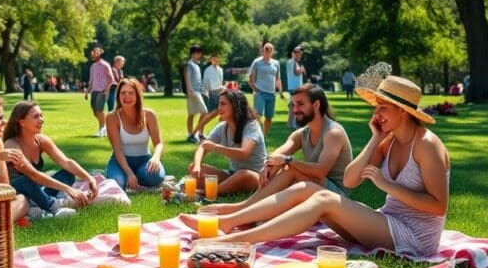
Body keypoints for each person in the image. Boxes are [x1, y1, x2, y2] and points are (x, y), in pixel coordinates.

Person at [181, 76, 449, 258]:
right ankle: (228, 223)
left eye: (382, 108)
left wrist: (387, 185)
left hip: (415, 237)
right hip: (388, 221)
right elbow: (352, 180)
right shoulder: (387, 140)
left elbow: (439, 206)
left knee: (320, 196)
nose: (375, 114)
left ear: (403, 111)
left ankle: (236, 241)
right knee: (307, 189)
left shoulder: (427, 145)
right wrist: (375, 139)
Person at [188, 84, 352, 222]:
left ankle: (242, 208)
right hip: (313, 189)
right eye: (293, 105)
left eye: (300, 104)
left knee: (291, 168)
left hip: (337, 196)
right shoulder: (301, 134)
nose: (295, 110)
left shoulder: (333, 133)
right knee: (284, 167)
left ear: (316, 105)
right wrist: (270, 164)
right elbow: (278, 153)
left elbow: (320, 171)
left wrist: (287, 160)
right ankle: (253, 213)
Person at [4, 100, 96, 217]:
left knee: (68, 173)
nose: (42, 119)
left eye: (41, 115)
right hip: (18, 192)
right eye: (36, 116)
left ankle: (40, 204)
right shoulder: (11, 145)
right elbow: (33, 175)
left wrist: (90, 178)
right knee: (26, 180)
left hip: (37, 190)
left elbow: (66, 162)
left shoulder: (40, 140)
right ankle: (52, 206)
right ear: (22, 122)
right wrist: (67, 189)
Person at [187, 89, 266, 195]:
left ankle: (204, 192)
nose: (219, 108)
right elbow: (202, 147)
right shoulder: (222, 127)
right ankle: (228, 186)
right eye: (219, 104)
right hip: (232, 174)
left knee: (243, 175)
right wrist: (197, 166)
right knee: (192, 168)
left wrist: (216, 147)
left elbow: (243, 153)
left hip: (256, 176)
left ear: (235, 106)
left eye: (223, 104)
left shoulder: (251, 125)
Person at [105, 78, 166, 190]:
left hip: (144, 159)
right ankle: (130, 177)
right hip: (121, 161)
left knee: (155, 177)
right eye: (123, 93)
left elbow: (159, 144)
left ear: (137, 96)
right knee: (118, 182)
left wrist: (156, 158)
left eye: (131, 93)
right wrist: (129, 173)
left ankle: (137, 177)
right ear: (118, 96)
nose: (127, 96)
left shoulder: (149, 115)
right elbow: (117, 150)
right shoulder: (112, 117)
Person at [248, 42, 283, 137]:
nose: (267, 50)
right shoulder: (257, 62)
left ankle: (264, 136)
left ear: (272, 51)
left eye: (269, 49)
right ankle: (257, 135)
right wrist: (255, 89)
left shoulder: (276, 63)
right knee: (258, 115)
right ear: (262, 50)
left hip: (271, 94)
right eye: (266, 49)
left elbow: (278, 78)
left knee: (269, 117)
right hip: (260, 93)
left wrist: (280, 91)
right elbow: (250, 78)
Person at [84, 45, 116, 137]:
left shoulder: (105, 65)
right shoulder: (92, 66)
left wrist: (106, 90)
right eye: (92, 53)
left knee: (99, 110)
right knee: (95, 111)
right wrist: (87, 91)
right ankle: (105, 126)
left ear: (99, 54)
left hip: (102, 90)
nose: (92, 55)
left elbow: (111, 79)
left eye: (95, 53)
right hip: (94, 91)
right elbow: (91, 80)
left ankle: (101, 128)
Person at [184, 45, 208, 143]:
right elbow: (187, 77)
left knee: (192, 114)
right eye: (197, 53)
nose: (199, 55)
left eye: (200, 53)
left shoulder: (197, 66)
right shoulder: (189, 64)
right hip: (193, 92)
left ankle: (194, 134)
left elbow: (198, 80)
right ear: (192, 54)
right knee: (204, 111)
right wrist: (189, 90)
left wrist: (203, 90)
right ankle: (194, 134)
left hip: (198, 91)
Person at [286, 46, 307, 129]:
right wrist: (302, 69)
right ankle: (293, 124)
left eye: (300, 55)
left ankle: (291, 124)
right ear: (293, 54)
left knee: (293, 106)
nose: (299, 56)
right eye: (298, 54)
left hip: (295, 87)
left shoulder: (294, 62)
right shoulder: (292, 62)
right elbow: (296, 72)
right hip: (294, 88)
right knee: (295, 106)